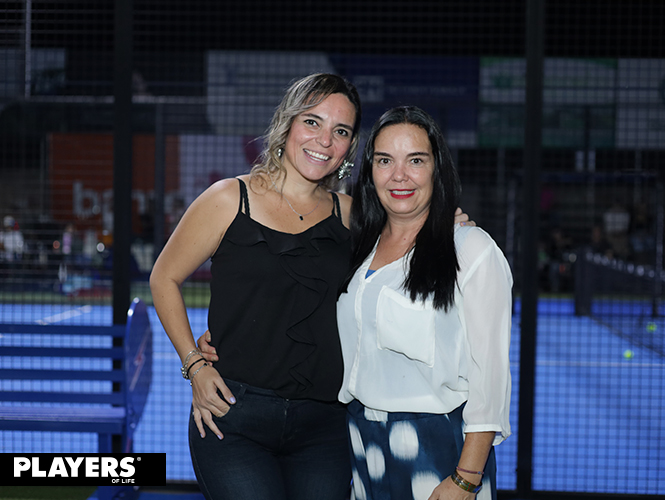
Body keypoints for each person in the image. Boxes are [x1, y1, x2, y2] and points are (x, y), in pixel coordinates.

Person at [153, 73, 472, 500]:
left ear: (350, 146)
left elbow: (409, 235)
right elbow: (163, 277)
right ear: (287, 124)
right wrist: (194, 364)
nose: (324, 140)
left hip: (325, 430)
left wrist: (448, 223)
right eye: (312, 121)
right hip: (235, 418)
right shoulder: (228, 199)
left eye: (340, 131)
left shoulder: (354, 217)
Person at [336, 106, 512, 500]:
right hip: (363, 446)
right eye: (385, 160)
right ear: (370, 171)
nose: (399, 175)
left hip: (440, 451)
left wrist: (466, 478)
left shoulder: (471, 250)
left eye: (415, 160)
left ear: (437, 168)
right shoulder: (359, 246)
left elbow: (490, 378)